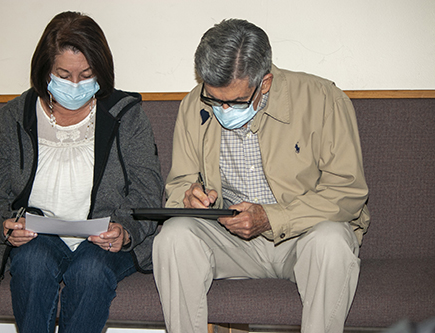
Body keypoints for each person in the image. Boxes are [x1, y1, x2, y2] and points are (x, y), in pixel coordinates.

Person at [153, 19, 370, 333]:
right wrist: (188, 196)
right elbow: (178, 185)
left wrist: (272, 217)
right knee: (173, 236)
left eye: (236, 100)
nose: (223, 109)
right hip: (230, 242)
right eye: (215, 99)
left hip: (303, 239)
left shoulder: (323, 99)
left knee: (332, 242)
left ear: (265, 82)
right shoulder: (193, 105)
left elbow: (348, 192)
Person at [0, 11, 163, 333]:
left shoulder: (127, 116)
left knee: (90, 271)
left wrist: (124, 230)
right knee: (32, 264)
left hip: (104, 238)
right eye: (64, 75)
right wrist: (5, 224)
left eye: (86, 75)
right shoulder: (10, 118)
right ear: (44, 72)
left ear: (101, 72)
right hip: (39, 236)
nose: (76, 85)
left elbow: (148, 190)